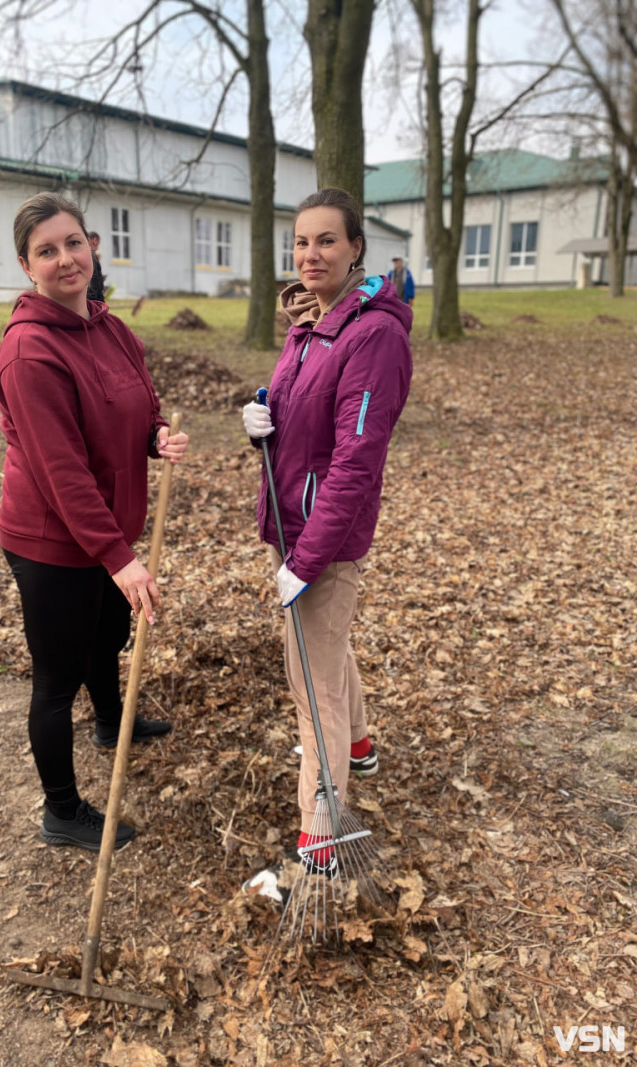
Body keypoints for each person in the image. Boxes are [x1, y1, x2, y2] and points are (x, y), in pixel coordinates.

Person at [0, 192, 189, 852]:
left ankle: (111, 721)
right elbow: (61, 469)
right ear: (27, 266)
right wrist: (119, 557)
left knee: (107, 634)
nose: (65, 259)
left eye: (73, 242)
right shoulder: (28, 354)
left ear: (92, 246)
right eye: (46, 251)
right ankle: (62, 810)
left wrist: (157, 435)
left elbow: (140, 404)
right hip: (52, 541)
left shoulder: (110, 328)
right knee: (56, 679)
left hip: (106, 533)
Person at [241, 188, 412, 901]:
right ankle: (361, 748)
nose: (310, 255)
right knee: (329, 648)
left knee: (310, 682)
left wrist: (307, 561)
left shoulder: (372, 336)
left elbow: (355, 461)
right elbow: (299, 407)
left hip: (324, 539)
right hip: (290, 522)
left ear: (356, 249)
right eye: (301, 242)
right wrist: (263, 413)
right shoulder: (309, 323)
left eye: (326, 242)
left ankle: (323, 832)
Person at [86, 230, 105, 302]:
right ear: (95, 240)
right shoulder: (92, 256)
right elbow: (94, 281)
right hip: (94, 300)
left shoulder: (85, 255)